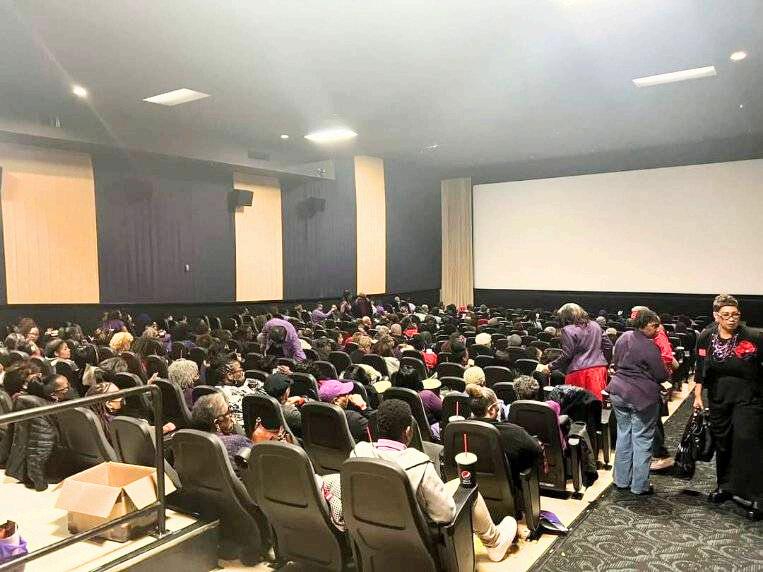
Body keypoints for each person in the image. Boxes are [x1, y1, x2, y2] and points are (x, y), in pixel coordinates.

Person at [351, 399, 517, 562]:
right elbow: (445, 515)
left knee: (454, 485)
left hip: (375, 538)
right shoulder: (418, 463)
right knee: (468, 488)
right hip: (421, 540)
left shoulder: (358, 454)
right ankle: (494, 542)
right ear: (408, 431)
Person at [694, 294, 762, 511]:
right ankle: (725, 486)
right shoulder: (706, 337)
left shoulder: (754, 336)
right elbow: (700, 369)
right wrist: (697, 396)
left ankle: (756, 495)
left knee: (747, 442)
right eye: (726, 315)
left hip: (749, 398)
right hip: (719, 399)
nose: (732, 319)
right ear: (716, 316)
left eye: (735, 314)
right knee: (722, 443)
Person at [607, 309, 668, 495]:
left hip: (618, 392)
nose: (657, 329)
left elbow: (616, 362)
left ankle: (621, 480)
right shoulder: (650, 347)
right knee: (642, 439)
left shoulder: (623, 337)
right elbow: (661, 375)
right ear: (644, 324)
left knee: (624, 435)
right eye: (654, 325)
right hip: (641, 397)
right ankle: (639, 486)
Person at [464, 384, 543, 484]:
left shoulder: (458, 432)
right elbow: (537, 450)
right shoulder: (514, 432)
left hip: (471, 487)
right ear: (492, 410)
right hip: (506, 490)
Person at [540, 303, 612, 400]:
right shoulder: (595, 325)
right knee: (596, 404)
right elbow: (608, 346)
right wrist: (604, 363)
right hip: (599, 370)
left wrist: (550, 366)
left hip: (578, 372)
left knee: (575, 405)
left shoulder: (567, 330)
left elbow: (567, 354)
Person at [191, 393, 252, 473]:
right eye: (228, 412)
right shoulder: (238, 442)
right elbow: (261, 465)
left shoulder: (187, 442)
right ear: (217, 423)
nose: (232, 415)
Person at [208, 355, 257, 426]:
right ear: (230, 375)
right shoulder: (236, 395)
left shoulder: (214, 390)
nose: (243, 372)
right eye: (240, 370)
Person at [262, 373, 306, 438]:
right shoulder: (290, 413)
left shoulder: (260, 406)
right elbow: (310, 425)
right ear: (285, 393)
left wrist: (285, 403)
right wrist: (305, 400)